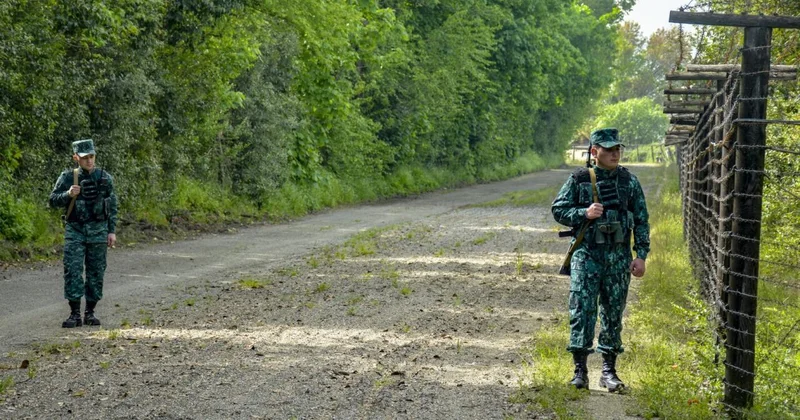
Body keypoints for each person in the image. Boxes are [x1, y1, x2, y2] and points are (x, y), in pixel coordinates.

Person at [551, 128, 650, 392]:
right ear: (595, 152)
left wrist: (641, 255)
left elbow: (641, 220)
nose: (615, 154)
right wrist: (584, 212)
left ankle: (609, 371)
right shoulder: (579, 178)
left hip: (618, 256)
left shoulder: (629, 181)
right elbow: (558, 209)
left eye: (618, 149)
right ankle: (580, 370)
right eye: (608, 150)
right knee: (582, 310)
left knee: (613, 312)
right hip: (587, 254)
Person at [49, 139, 118, 328]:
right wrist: (68, 194)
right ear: (76, 158)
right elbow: (52, 200)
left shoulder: (105, 178)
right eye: (84, 157)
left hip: (98, 231)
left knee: (96, 272)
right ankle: (74, 314)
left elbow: (112, 205)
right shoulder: (67, 177)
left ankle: (90, 312)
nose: (89, 161)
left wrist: (111, 231)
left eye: (91, 156)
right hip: (75, 230)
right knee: (73, 270)